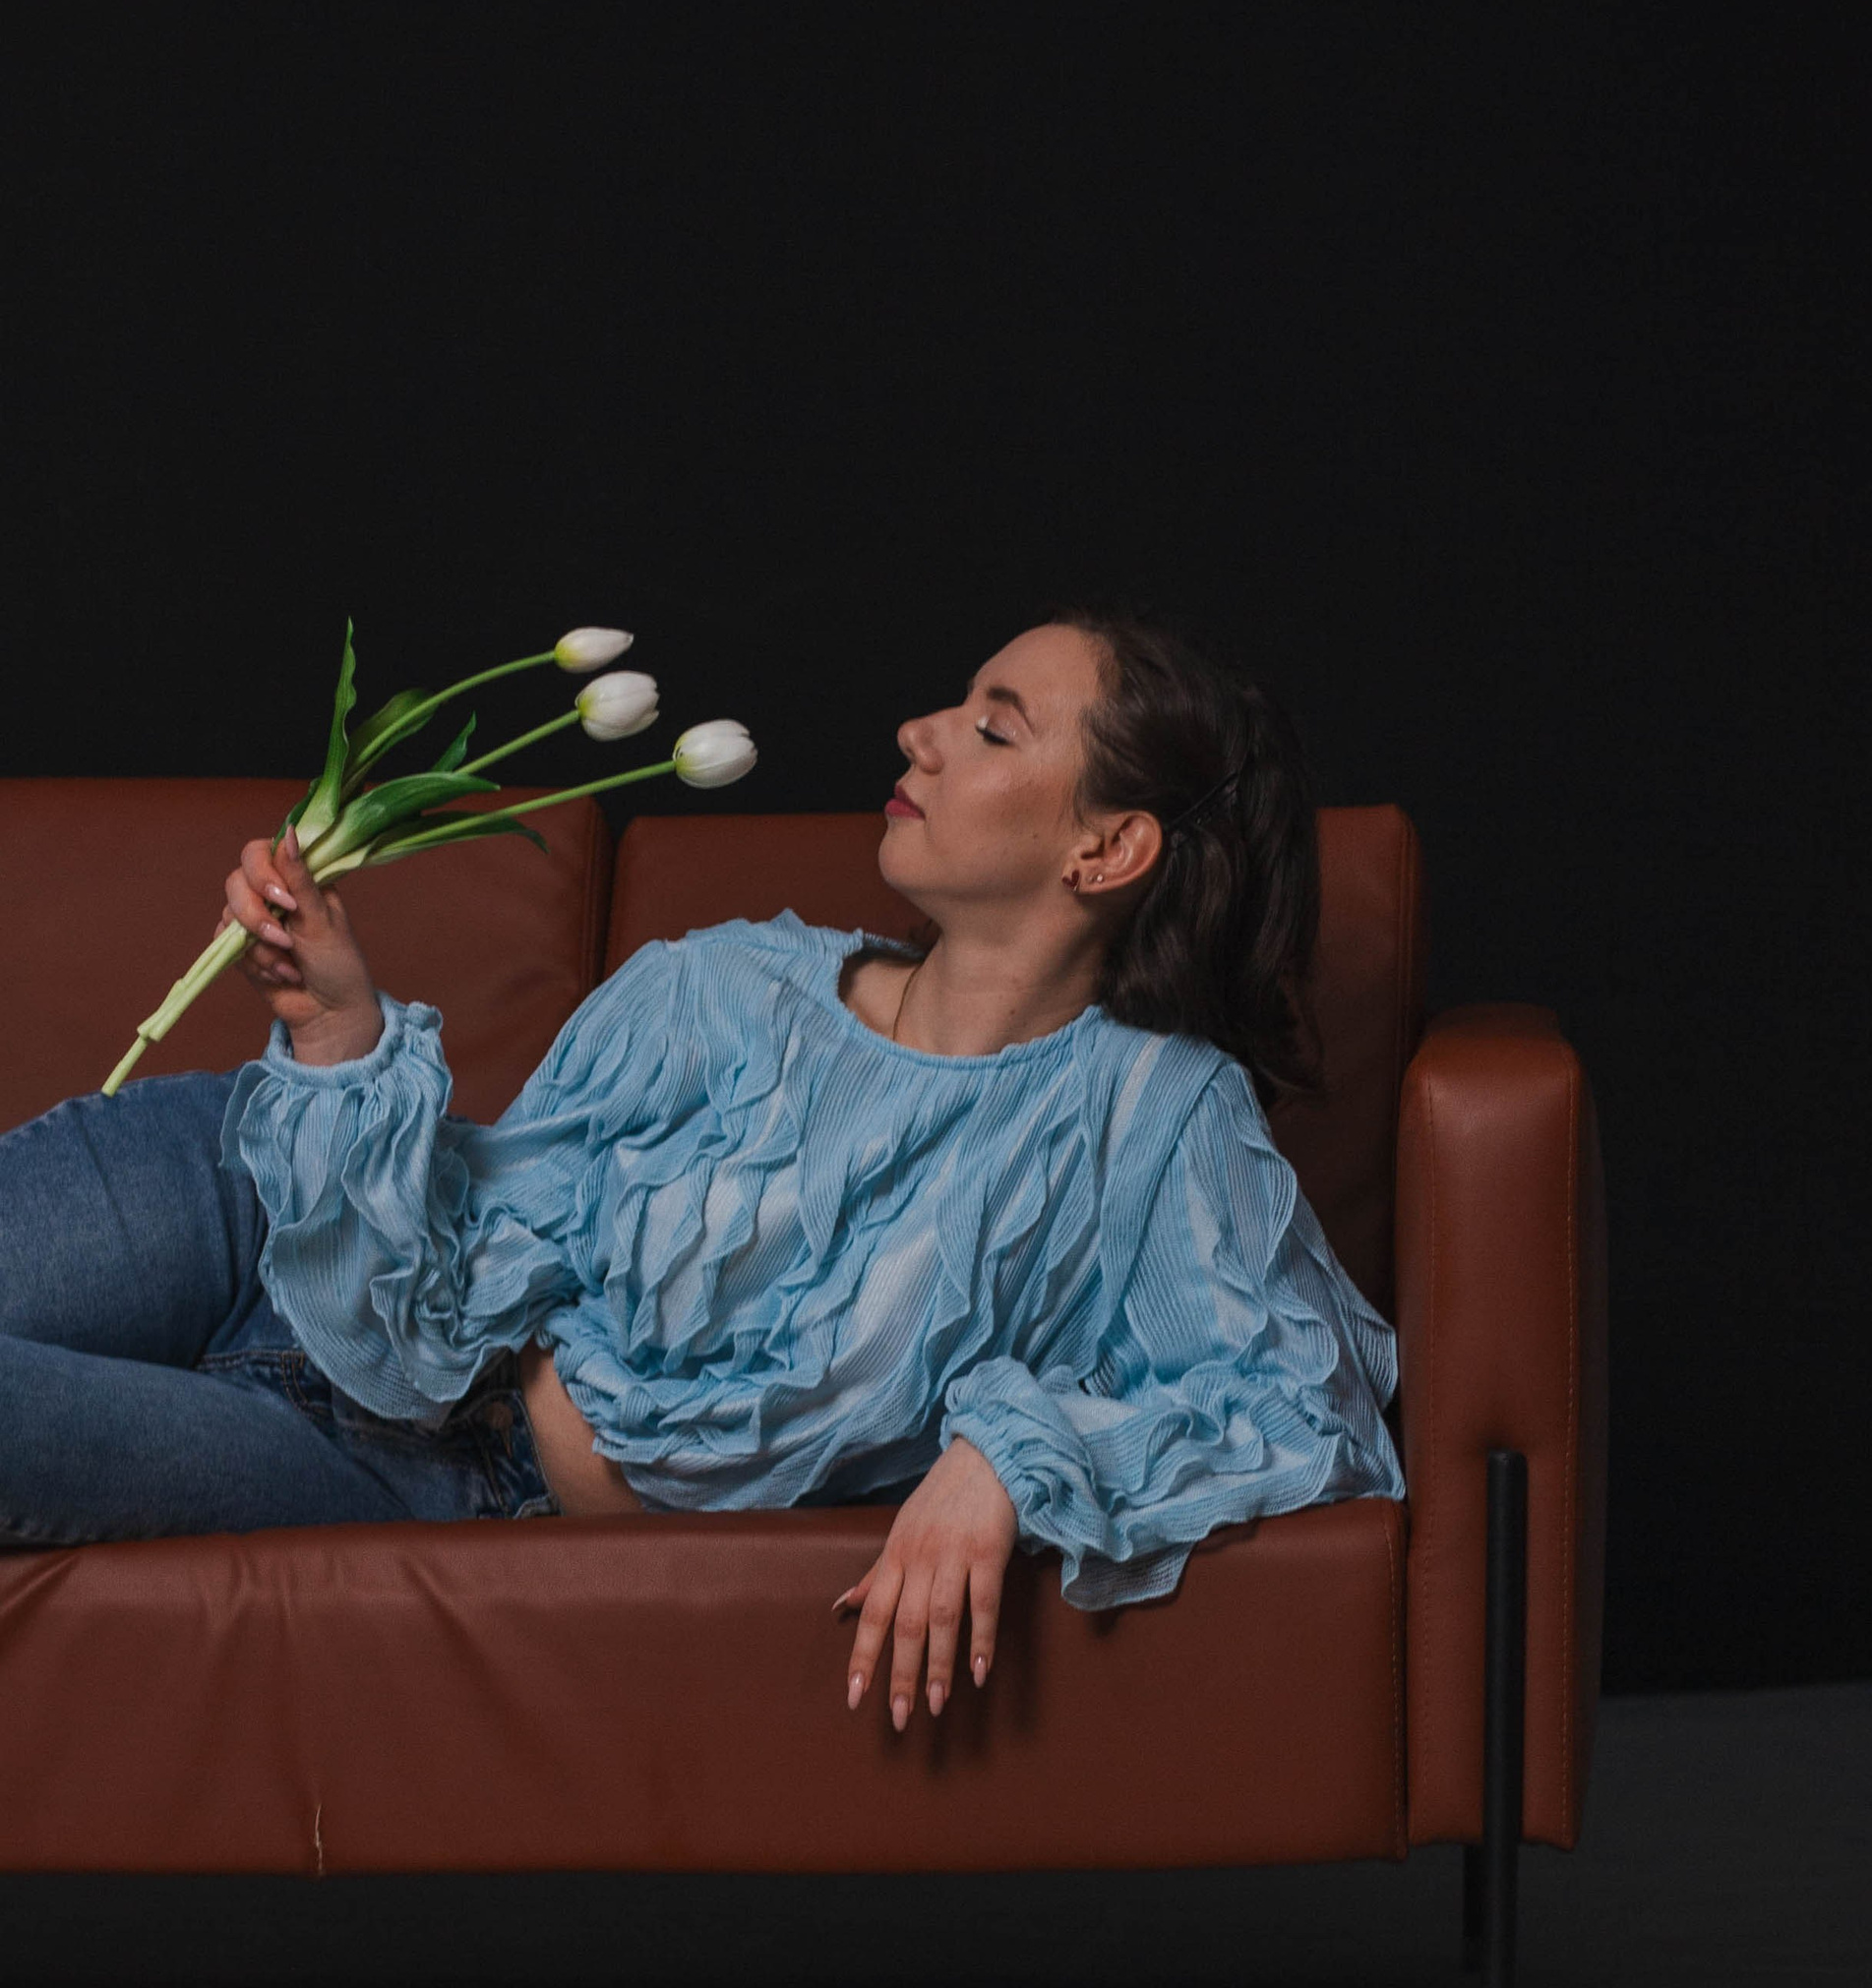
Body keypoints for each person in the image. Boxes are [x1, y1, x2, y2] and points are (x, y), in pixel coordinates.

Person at [0, 612, 1405, 1725]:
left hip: (430, 1480)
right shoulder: (720, 985)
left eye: (992, 727)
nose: (918, 734)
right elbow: (462, 1256)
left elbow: (1304, 1408)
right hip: (249, 1203)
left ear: (1108, 846)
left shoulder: (1149, 1118)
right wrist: (339, 1033)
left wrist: (1009, 1460)